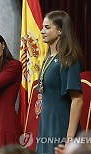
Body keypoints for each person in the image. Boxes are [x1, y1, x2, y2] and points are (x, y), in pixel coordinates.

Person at [36, 10, 83, 154]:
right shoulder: (48, 58)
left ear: (60, 30)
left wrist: (69, 139)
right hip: (46, 124)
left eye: (47, 27)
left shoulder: (68, 59)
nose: (42, 31)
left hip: (61, 126)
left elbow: (77, 100)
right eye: (43, 27)